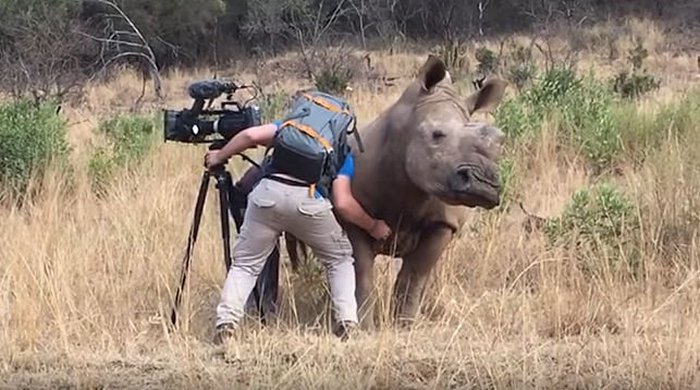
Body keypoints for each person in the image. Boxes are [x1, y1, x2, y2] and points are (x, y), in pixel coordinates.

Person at [204, 119, 392, 344]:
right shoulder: (341, 149)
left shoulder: (288, 127)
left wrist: (219, 156)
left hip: (266, 196)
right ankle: (347, 323)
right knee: (339, 259)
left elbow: (250, 136)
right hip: (309, 203)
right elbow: (343, 203)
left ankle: (226, 324)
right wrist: (373, 226)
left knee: (245, 264)